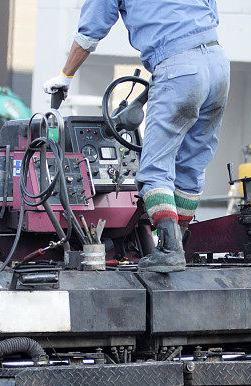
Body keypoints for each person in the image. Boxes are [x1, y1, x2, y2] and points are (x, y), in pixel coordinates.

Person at [44, 0, 230, 273]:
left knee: (155, 169)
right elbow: (211, 13)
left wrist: (65, 75)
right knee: (192, 161)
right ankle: (179, 239)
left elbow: (90, 31)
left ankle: (168, 249)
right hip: (218, 64)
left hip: (178, 66)